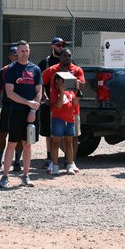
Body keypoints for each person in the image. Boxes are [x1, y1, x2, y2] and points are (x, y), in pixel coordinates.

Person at [0, 41, 42, 189]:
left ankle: (25, 176)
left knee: (27, 144)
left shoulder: (35, 69)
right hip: (16, 111)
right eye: (22, 51)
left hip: (31, 113)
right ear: (17, 52)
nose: (24, 54)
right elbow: (10, 93)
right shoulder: (11, 69)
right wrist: (28, 103)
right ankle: (5, 176)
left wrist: (33, 110)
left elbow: (39, 92)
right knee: (12, 143)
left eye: (26, 51)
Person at [41, 47, 85, 172]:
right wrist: (45, 98)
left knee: (73, 137)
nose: (67, 58)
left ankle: (71, 163)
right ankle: (53, 163)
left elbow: (82, 86)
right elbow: (40, 82)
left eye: (69, 56)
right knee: (55, 137)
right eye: (64, 56)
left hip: (73, 109)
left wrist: (77, 84)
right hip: (57, 109)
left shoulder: (77, 70)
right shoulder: (52, 70)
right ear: (59, 57)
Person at [38, 37, 66, 169]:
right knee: (48, 131)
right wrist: (44, 98)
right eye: (58, 45)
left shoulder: (67, 61)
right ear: (52, 46)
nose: (60, 47)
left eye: (62, 45)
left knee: (65, 129)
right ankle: (49, 157)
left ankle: (66, 158)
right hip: (49, 101)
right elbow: (39, 82)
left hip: (64, 101)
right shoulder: (46, 62)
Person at [0, 46, 19, 172]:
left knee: (19, 134)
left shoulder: (26, 69)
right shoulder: (4, 70)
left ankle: (17, 161)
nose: (16, 56)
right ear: (9, 56)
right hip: (7, 106)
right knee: (3, 133)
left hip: (21, 106)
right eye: (14, 54)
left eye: (18, 53)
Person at [48, 73, 79, 175]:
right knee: (56, 142)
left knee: (69, 143)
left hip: (70, 119)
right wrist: (61, 93)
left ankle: (70, 165)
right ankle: (55, 166)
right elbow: (59, 105)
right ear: (57, 81)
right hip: (58, 119)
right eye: (63, 80)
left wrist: (77, 90)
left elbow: (75, 103)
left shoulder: (70, 91)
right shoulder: (54, 92)